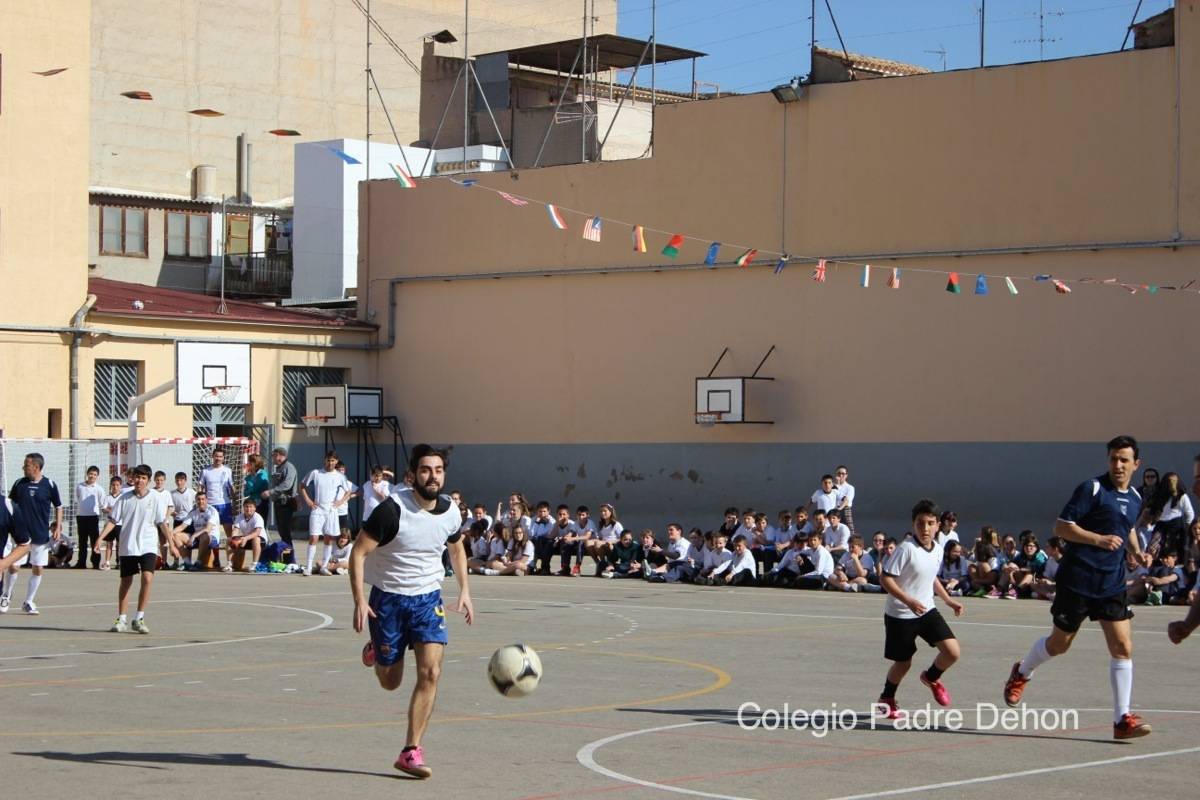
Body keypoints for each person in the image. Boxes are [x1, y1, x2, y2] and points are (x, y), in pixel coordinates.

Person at [1003, 435, 1153, 740]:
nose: (1118, 465)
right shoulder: (1092, 489)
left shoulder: (1136, 498)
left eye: (1124, 460)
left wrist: (1136, 552)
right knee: (1060, 645)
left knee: (1122, 647)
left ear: (1136, 464)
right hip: (1078, 580)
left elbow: (1128, 529)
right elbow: (1061, 527)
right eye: (1113, 458)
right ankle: (1022, 672)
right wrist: (1097, 539)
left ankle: (1122, 719)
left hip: (1111, 583)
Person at [351, 444, 473, 779]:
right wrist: (360, 600)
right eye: (425, 470)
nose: (432, 476)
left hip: (427, 601)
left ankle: (410, 751)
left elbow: (457, 547)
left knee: (431, 673)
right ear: (412, 475)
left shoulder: (451, 511)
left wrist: (465, 589)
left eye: (437, 470)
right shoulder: (391, 511)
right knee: (391, 681)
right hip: (388, 601)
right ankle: (378, 651)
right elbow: (358, 553)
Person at [876, 498, 964, 720]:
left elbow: (931, 577)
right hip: (900, 615)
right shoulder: (906, 549)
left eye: (930, 523)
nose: (925, 528)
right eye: (920, 523)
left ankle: (931, 677)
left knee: (952, 652)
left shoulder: (938, 549)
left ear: (937, 525)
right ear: (913, 524)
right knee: (903, 663)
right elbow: (886, 579)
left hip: (926, 610)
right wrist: (908, 601)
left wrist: (947, 600)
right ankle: (887, 699)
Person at [98, 464, 176, 634]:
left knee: (147, 578)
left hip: (148, 545)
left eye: (143, 478)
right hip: (128, 546)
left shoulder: (155, 498)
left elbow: (161, 523)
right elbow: (113, 521)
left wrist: (171, 544)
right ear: (133, 479)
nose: (139, 481)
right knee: (126, 582)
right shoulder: (124, 499)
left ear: (148, 481)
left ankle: (139, 618)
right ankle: (122, 618)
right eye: (137, 477)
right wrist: (100, 538)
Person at [5, 452, 64, 615]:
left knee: (38, 568)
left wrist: (58, 526)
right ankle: (6, 595)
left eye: (27, 465)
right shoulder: (19, 484)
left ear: (36, 467)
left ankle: (29, 601)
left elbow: (59, 506)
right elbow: (10, 506)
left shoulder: (50, 485)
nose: (23, 468)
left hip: (40, 534)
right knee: (13, 565)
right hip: (21, 535)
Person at [300, 452, 347, 576]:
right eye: (328, 460)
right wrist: (308, 501)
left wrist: (340, 502)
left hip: (331, 511)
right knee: (313, 538)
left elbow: (348, 491)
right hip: (318, 510)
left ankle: (324, 567)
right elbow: (302, 486)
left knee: (328, 539)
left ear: (336, 462)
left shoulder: (340, 476)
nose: (330, 463)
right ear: (324, 460)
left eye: (332, 461)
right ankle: (309, 567)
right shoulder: (316, 473)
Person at [169, 491, 222, 570]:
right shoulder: (193, 512)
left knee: (204, 536)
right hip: (197, 538)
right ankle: (187, 563)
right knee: (177, 536)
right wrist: (169, 534)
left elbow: (207, 529)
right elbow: (182, 526)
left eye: (203, 499)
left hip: (211, 538)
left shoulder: (212, 511)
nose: (201, 501)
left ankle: (198, 562)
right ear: (196, 500)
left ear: (206, 500)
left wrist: (193, 536)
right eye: (198, 499)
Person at [199, 449, 235, 540]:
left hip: (224, 504)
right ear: (212, 456)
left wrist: (234, 504)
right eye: (216, 456)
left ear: (223, 458)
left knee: (229, 533)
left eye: (220, 456)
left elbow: (231, 487)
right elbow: (200, 487)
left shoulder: (227, 470)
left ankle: (231, 551)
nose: (218, 458)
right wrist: (200, 502)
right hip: (210, 505)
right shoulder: (205, 470)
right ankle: (213, 553)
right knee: (211, 532)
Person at [266, 447, 299, 544]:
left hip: (286, 503)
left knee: (285, 531)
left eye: (273, 456)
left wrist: (271, 492)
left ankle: (289, 557)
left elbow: (287, 485)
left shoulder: (289, 467)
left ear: (278, 455)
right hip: (279, 503)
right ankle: (285, 555)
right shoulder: (280, 468)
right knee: (281, 531)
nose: (272, 458)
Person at [74, 466, 105, 569]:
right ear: (87, 474)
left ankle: (96, 563)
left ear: (97, 476)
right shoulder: (80, 486)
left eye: (95, 474)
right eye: (91, 474)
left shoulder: (99, 489)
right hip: (81, 516)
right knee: (82, 541)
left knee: (94, 541)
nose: (92, 476)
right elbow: (78, 498)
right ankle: (81, 562)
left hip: (93, 517)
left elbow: (102, 503)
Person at [229, 498, 267, 572]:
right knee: (229, 540)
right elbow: (236, 530)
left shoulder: (258, 517)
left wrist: (245, 538)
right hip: (246, 539)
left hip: (260, 540)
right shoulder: (239, 517)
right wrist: (233, 538)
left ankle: (254, 564)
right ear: (243, 508)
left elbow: (257, 532)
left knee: (256, 539)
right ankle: (229, 564)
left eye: (250, 507)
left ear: (254, 508)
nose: (248, 509)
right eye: (246, 506)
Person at [168, 472, 197, 569]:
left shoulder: (191, 492)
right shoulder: (172, 494)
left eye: (181, 480)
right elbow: (169, 507)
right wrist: (172, 513)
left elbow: (197, 503)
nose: (179, 482)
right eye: (177, 480)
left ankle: (187, 562)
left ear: (185, 481)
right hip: (178, 520)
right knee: (175, 540)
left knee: (188, 542)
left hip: (189, 521)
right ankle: (176, 562)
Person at [98, 475, 124, 570]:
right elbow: (104, 509)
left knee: (120, 543)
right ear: (110, 486)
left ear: (120, 486)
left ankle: (120, 561)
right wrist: (110, 510)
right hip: (109, 523)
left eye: (117, 485)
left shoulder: (123, 497)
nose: (115, 487)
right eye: (113, 485)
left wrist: (113, 510)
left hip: (120, 524)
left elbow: (122, 510)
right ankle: (107, 562)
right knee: (109, 543)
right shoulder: (107, 497)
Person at [834, 465, 857, 535]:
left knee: (849, 531)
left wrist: (839, 509)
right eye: (839, 473)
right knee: (835, 530)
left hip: (845, 510)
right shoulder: (832, 487)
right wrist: (836, 485)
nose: (841, 475)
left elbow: (847, 501)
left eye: (843, 474)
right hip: (834, 510)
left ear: (846, 475)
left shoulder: (850, 488)